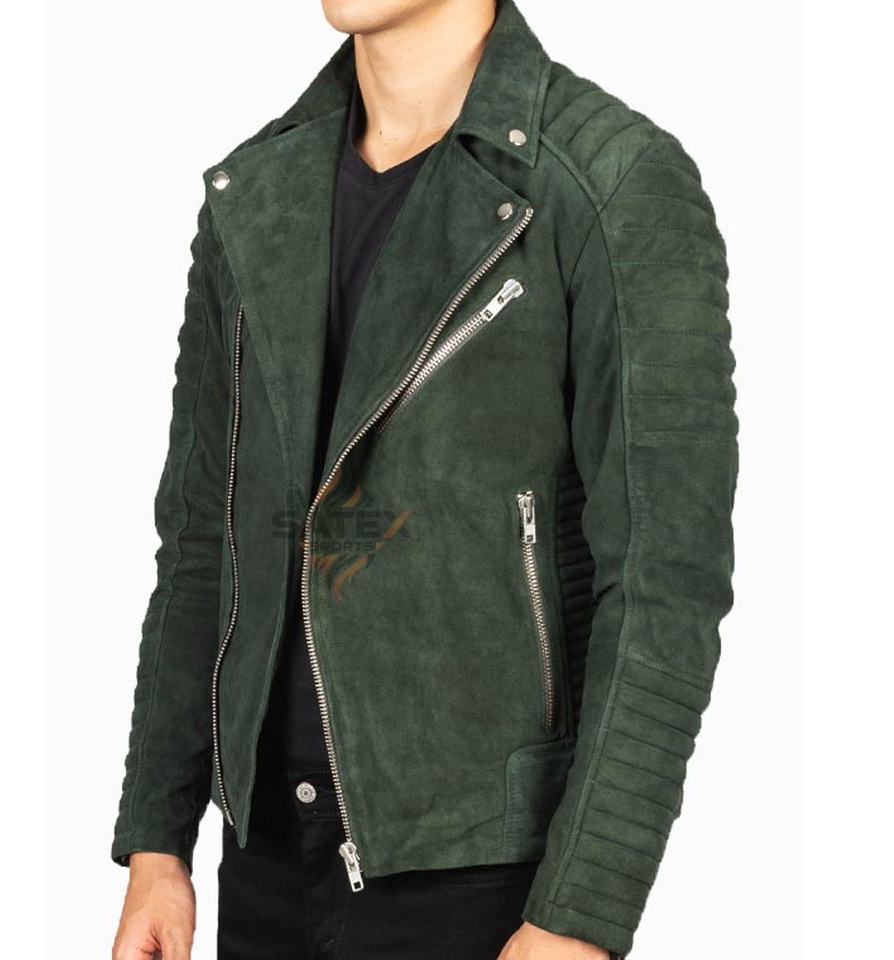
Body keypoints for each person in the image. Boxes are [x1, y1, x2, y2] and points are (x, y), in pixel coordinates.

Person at [111, 1, 738, 957]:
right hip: (264, 860)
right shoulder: (258, 190)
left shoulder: (610, 180)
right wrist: (158, 843)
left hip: (484, 878)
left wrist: (580, 913)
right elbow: (204, 537)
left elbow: (665, 580)